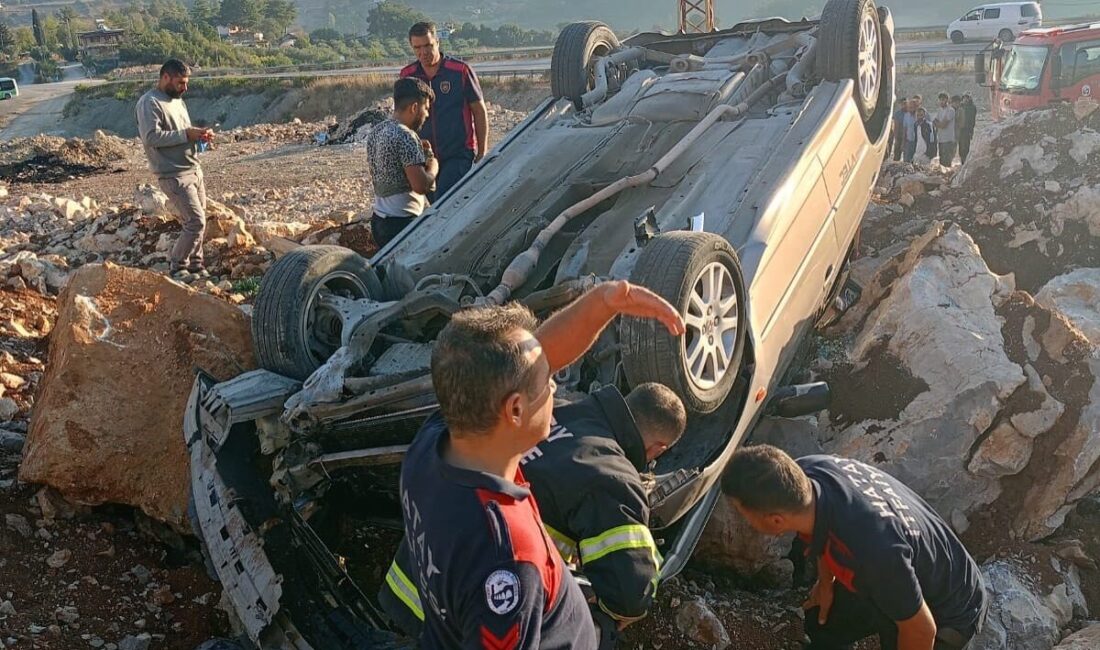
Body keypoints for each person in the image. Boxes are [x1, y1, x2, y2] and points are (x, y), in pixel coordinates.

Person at [396, 281, 685, 649]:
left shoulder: (435, 441)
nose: (554, 389)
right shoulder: (507, 560)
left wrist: (605, 302)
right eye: (547, 382)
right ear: (515, 409)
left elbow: (535, 357)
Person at [382, 382, 688, 646]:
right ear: (658, 449)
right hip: (472, 618)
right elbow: (629, 595)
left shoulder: (552, 407)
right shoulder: (613, 478)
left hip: (413, 580)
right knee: (592, 622)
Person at [721, 445, 986, 650]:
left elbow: (921, 629)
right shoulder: (808, 473)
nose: (741, 517)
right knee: (822, 620)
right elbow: (821, 529)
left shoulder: (874, 553)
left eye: (741, 511)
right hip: (897, 571)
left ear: (776, 520)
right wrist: (825, 585)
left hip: (948, 608)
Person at [136, 59, 213, 278]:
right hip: (173, 174)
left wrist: (200, 138)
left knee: (200, 220)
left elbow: (183, 133)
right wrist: (187, 134)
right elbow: (151, 137)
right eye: (180, 83)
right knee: (195, 222)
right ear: (166, 77)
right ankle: (178, 267)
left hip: (193, 169)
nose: (184, 88)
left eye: (186, 83)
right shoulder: (149, 102)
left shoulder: (178, 101)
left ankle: (196, 266)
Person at [400, 21, 489, 200]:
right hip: (423, 156)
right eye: (417, 47)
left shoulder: (460, 71)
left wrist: (482, 153)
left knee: (446, 199)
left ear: (437, 42)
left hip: (458, 154)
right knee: (434, 206)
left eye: (428, 45)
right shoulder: (408, 76)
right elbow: (404, 117)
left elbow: (479, 111)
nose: (423, 52)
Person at [367, 77, 439, 247]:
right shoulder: (406, 136)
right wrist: (433, 165)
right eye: (426, 109)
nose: (427, 115)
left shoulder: (377, 131)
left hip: (379, 220)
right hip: (401, 224)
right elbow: (421, 186)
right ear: (415, 107)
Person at [933, 92, 957, 168]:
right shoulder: (939, 110)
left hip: (948, 140)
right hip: (940, 139)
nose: (941, 101)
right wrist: (939, 124)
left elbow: (943, 125)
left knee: (947, 162)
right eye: (940, 100)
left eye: (943, 100)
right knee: (941, 162)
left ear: (947, 100)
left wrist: (938, 124)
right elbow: (934, 121)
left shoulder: (951, 110)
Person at [956, 94, 977, 164]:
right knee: (961, 145)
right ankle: (962, 160)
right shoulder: (960, 107)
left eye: (967, 98)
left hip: (968, 129)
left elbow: (973, 120)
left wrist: (971, 130)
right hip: (960, 129)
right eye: (964, 98)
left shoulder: (972, 108)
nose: (966, 100)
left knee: (966, 145)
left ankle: (965, 160)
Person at [902, 97, 919, 163]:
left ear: (916, 107)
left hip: (919, 142)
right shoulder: (906, 115)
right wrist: (903, 143)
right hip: (909, 141)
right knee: (906, 161)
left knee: (917, 161)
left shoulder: (921, 115)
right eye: (909, 107)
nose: (910, 109)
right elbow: (905, 129)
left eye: (912, 107)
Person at [891, 97, 908, 162]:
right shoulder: (897, 114)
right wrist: (896, 138)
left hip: (908, 137)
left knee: (907, 157)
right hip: (899, 136)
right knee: (897, 156)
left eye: (906, 103)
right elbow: (895, 126)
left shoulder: (911, 112)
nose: (905, 105)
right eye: (903, 104)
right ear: (900, 104)